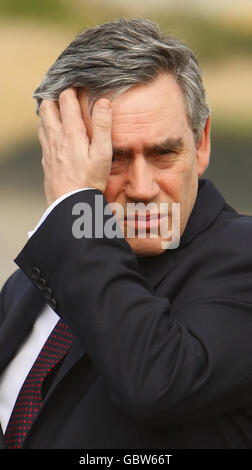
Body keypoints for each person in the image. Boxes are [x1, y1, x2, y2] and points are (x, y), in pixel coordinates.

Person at [0, 17, 252, 450]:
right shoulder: (30, 283)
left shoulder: (241, 257)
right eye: (112, 159)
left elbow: (157, 380)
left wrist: (76, 205)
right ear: (60, 154)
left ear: (202, 142)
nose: (141, 187)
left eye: (164, 153)